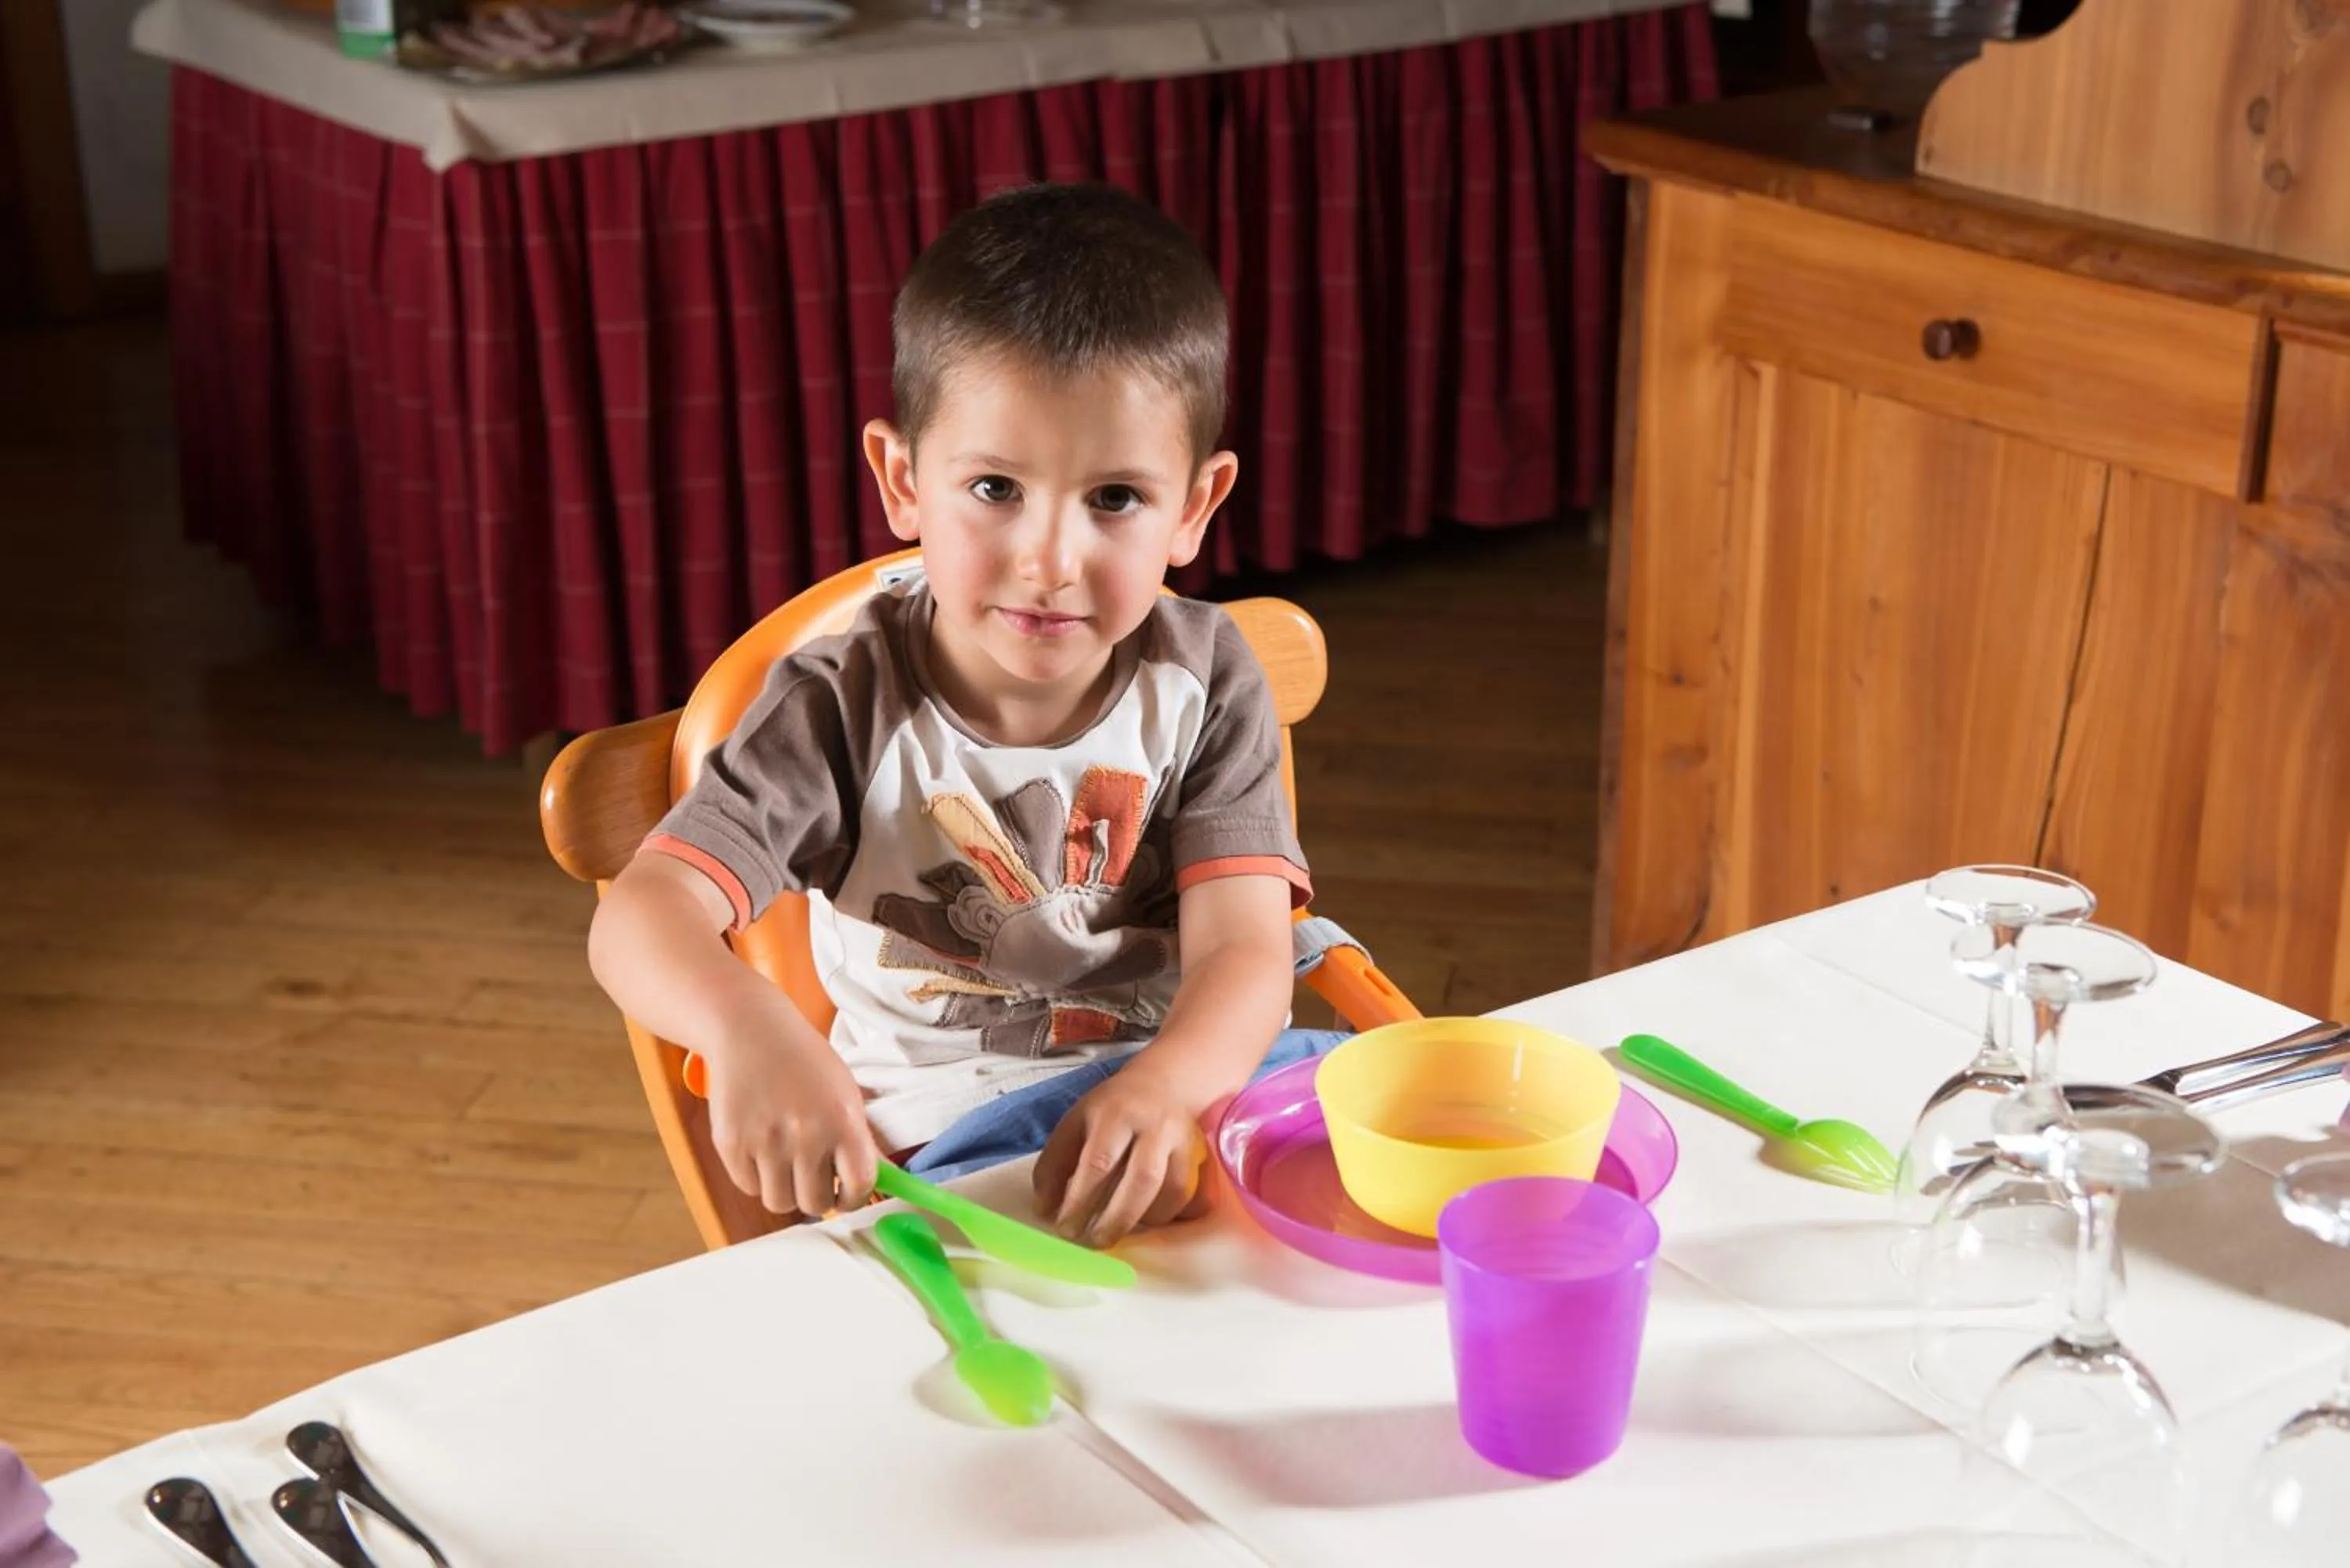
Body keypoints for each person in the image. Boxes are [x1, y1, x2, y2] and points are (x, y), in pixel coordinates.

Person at [588, 182, 1342, 1249]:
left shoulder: (1207, 675)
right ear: (903, 480)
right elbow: (640, 913)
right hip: (966, 1152)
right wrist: (748, 1025)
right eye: (995, 487)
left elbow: (1243, 957)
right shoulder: (839, 709)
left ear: (1194, 507)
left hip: (1191, 1094)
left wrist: (1172, 1086)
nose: (1049, 558)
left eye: (1115, 498)